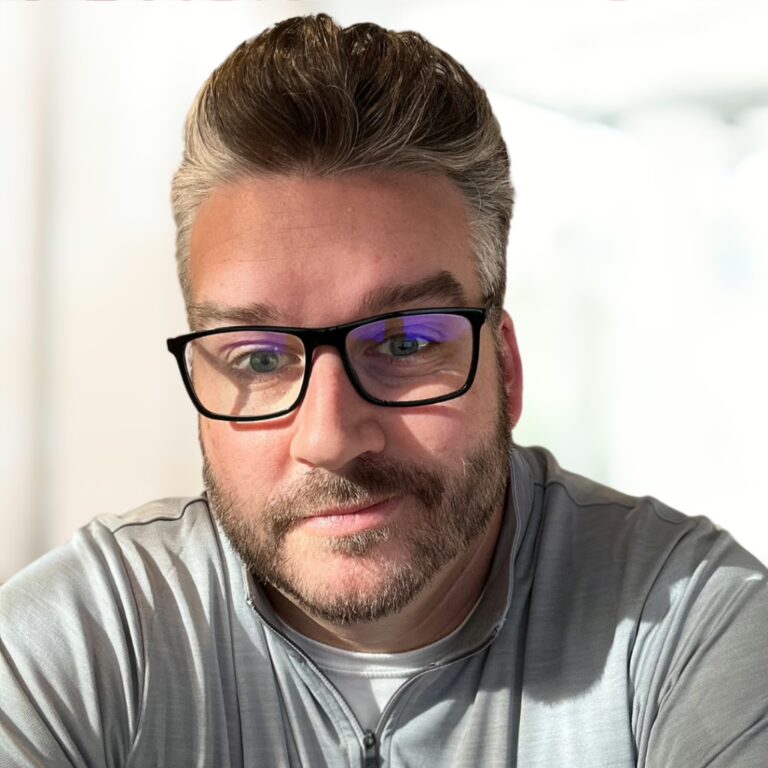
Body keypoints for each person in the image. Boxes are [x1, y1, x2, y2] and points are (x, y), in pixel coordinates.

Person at [1, 13, 766, 767]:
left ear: (505, 369)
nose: (330, 437)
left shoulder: (691, 625)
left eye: (405, 344)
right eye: (259, 360)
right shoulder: (85, 641)